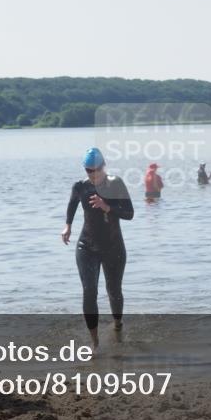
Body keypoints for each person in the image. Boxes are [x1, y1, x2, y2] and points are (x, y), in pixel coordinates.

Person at [62, 148, 134, 347]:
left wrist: (107, 207)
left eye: (96, 169)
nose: (93, 174)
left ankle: (117, 324)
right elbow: (72, 205)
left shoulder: (116, 184)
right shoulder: (80, 187)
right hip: (87, 246)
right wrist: (67, 225)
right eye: (88, 170)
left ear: (104, 166)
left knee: (114, 290)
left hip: (113, 247)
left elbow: (130, 213)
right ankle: (95, 344)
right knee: (89, 291)